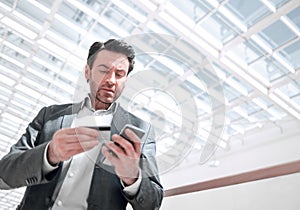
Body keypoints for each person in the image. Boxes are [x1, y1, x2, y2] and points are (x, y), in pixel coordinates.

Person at [0, 39, 163, 210]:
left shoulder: (142, 131)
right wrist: (50, 153)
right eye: (103, 70)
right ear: (87, 71)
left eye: (119, 74)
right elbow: (4, 174)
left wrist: (133, 178)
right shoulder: (49, 116)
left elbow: (153, 203)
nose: (111, 80)